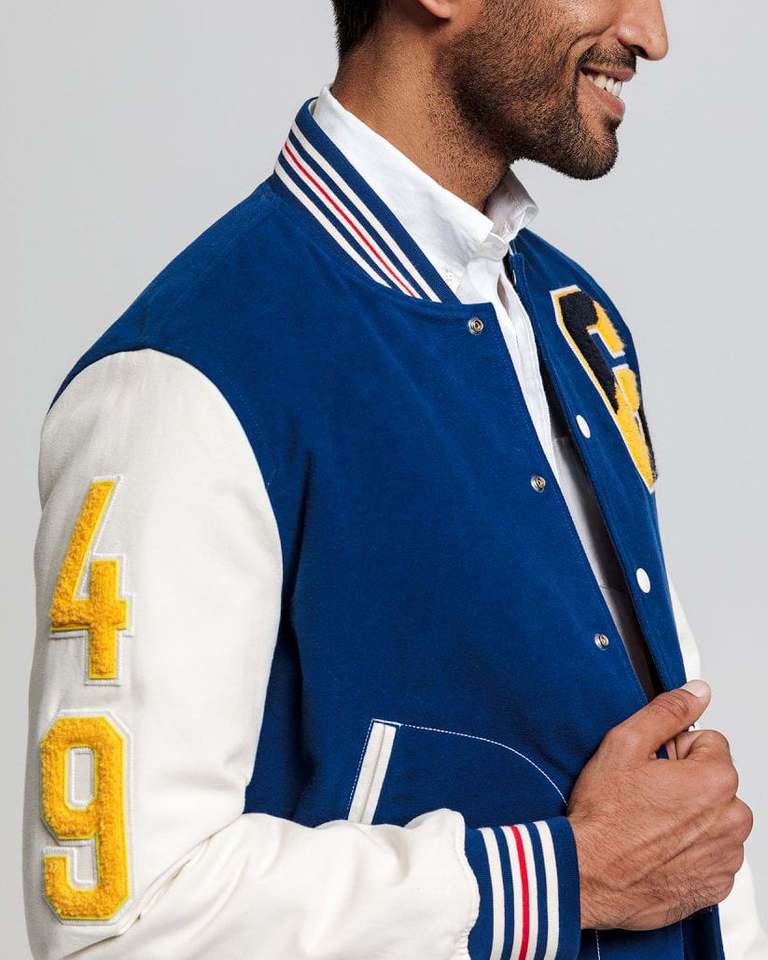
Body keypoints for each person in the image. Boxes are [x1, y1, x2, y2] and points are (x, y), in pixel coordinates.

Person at [22, 0, 767, 958]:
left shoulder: (574, 319)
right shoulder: (185, 376)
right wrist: (560, 879)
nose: (651, 34)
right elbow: (116, 925)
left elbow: (676, 803)